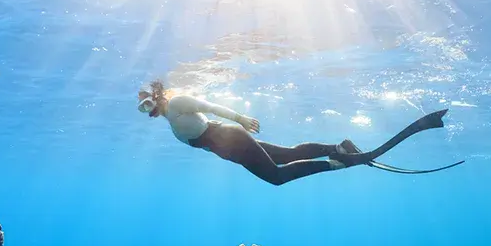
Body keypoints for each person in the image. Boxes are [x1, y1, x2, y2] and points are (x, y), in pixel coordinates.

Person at [136, 79, 463, 186]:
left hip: (230, 138)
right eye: (142, 106)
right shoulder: (169, 117)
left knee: (276, 176)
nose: (145, 108)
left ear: (158, 96)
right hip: (226, 146)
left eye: (146, 101)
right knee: (289, 155)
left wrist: (242, 118)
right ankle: (339, 146)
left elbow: (210, 106)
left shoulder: (177, 102)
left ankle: (336, 162)